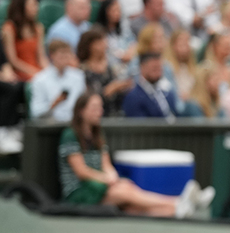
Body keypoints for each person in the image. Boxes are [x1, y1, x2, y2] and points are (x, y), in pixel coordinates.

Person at [58, 91, 211, 216]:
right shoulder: (70, 135)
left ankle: (177, 209)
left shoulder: (99, 135)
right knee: (125, 191)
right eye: (94, 107)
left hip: (99, 186)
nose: (99, 112)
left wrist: (113, 177)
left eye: (100, 107)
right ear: (81, 111)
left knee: (133, 206)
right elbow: (81, 172)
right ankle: (178, 201)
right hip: (79, 194)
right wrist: (107, 180)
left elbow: (106, 165)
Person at [77, 27, 133, 116]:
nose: (105, 45)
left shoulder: (109, 67)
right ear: (91, 45)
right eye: (100, 42)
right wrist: (111, 89)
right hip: (97, 115)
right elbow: (87, 97)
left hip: (116, 113)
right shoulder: (82, 71)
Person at [29, 39, 86, 121]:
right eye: (62, 53)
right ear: (52, 55)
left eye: (67, 53)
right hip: (51, 125)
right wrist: (54, 105)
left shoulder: (79, 76)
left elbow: (83, 104)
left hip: (75, 123)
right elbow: (36, 113)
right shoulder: (39, 80)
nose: (65, 56)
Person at [2, 0, 48, 82]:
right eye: (33, 3)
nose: (37, 7)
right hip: (21, 74)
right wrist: (34, 72)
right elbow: (13, 61)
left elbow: (41, 57)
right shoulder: (9, 28)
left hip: (37, 71)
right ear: (21, 6)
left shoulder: (38, 28)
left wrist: (50, 72)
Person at [123, 51, 178, 119]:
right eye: (154, 69)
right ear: (142, 67)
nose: (158, 72)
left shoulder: (167, 93)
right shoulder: (133, 97)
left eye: (159, 69)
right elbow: (141, 126)